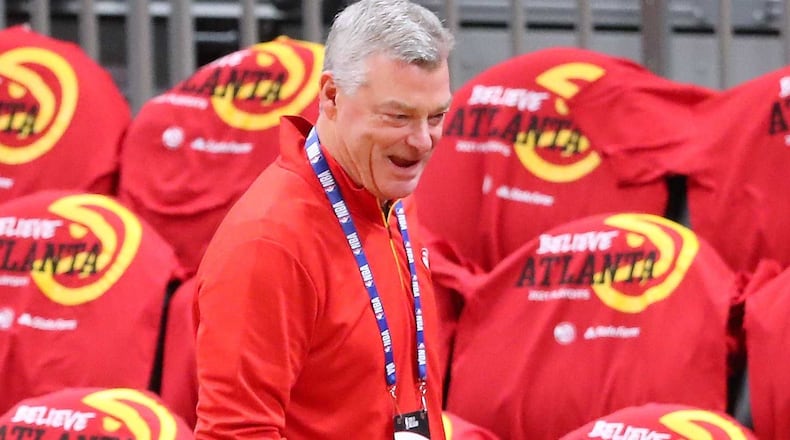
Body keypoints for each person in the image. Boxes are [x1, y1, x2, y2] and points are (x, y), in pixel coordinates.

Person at [193, 1, 454, 438]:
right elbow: (236, 431)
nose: (422, 141)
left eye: (436, 116)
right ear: (332, 96)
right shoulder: (269, 244)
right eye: (398, 116)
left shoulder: (390, 193)